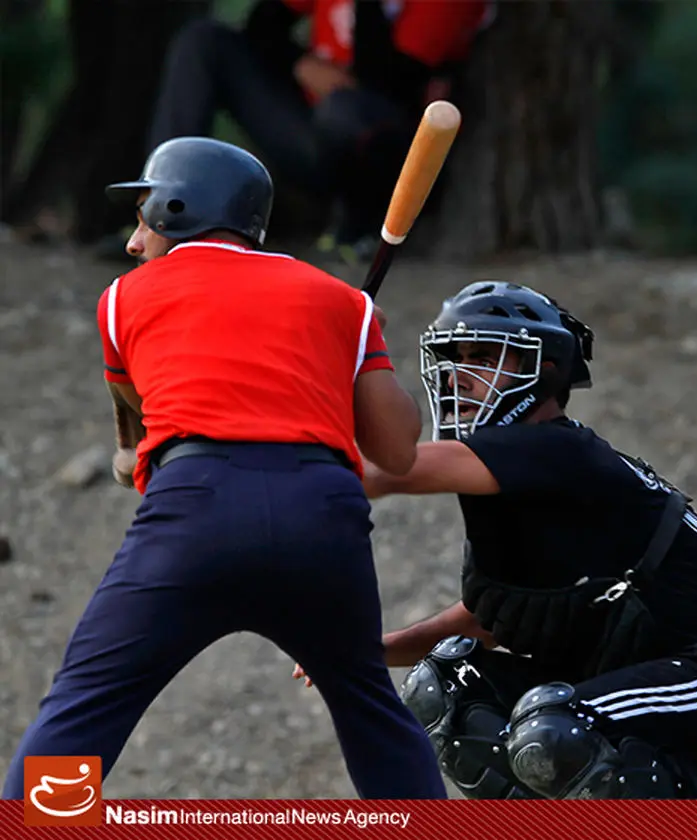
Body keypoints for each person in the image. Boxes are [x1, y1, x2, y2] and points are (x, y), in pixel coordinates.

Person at [1, 136, 446, 800]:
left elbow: (143, 415)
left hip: (196, 511)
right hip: (320, 518)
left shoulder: (122, 301)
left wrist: (132, 460)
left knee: (85, 706)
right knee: (372, 714)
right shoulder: (338, 303)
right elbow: (397, 450)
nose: (132, 242)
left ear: (179, 207)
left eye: (143, 217)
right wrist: (362, 341)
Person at [295, 280, 697, 799]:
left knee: (556, 725)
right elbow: (492, 617)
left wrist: (284, 438)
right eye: (453, 358)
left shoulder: (558, 451)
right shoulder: (504, 484)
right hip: (648, 686)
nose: (459, 375)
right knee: (449, 685)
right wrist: (369, 651)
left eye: (483, 357)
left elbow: (388, 471)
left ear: (540, 370)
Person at [142, 0, 491, 258]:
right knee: (204, 41)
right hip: (310, 132)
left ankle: (359, 232)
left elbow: (394, 80)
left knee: (344, 111)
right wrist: (300, 63)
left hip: (388, 153)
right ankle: (163, 210)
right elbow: (263, 27)